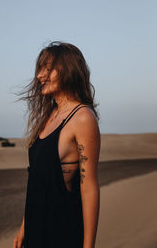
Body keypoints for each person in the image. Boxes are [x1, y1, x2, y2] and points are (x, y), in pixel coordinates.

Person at [13, 41, 101, 248]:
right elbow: (38, 179)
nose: (39, 76)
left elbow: (88, 188)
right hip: (35, 232)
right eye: (39, 68)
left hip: (61, 233)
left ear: (69, 70)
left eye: (48, 68)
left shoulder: (82, 118)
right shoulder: (49, 116)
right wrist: (24, 227)